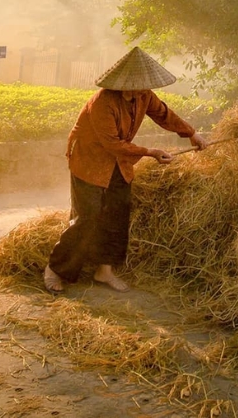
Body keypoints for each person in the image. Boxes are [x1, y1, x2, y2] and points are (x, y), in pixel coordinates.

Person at [43, 46, 206, 293]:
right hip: (90, 161)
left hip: (120, 161)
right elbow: (112, 144)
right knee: (87, 216)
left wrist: (191, 133)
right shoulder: (102, 103)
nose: (142, 89)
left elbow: (163, 114)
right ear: (123, 84)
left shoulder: (144, 96)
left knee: (117, 214)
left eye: (144, 85)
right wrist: (150, 152)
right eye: (137, 85)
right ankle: (56, 268)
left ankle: (104, 271)